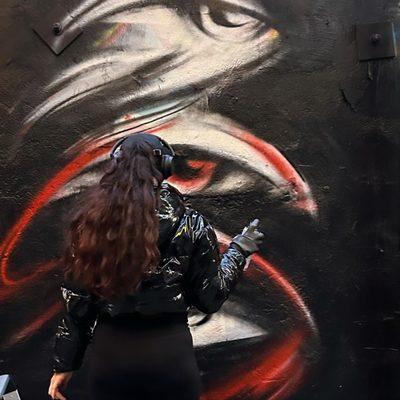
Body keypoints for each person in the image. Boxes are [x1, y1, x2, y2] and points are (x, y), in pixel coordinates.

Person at [48, 133, 264, 400]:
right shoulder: (191, 223)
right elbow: (210, 298)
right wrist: (238, 251)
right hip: (170, 357)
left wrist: (65, 365)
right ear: (166, 167)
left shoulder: (91, 225)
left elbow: (77, 306)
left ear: (115, 165)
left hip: (110, 357)